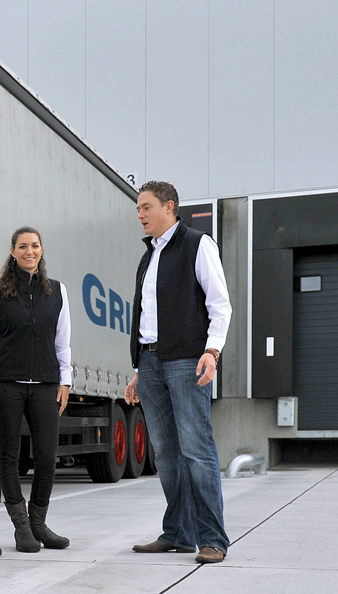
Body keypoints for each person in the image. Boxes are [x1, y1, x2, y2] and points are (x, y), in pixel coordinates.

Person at [122, 181, 232, 564]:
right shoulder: (148, 256)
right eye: (138, 208)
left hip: (187, 359)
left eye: (146, 207)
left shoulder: (197, 244)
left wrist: (212, 350)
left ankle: (212, 538)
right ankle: (179, 533)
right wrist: (139, 368)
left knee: (196, 449)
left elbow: (220, 304)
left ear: (169, 206)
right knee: (166, 454)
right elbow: (146, 318)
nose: (140, 214)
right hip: (150, 362)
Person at [0, 226, 72, 553]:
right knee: (8, 456)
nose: (29, 251)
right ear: (13, 251)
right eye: (23, 246)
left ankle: (39, 523)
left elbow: (62, 342)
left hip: (46, 385)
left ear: (42, 249)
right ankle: (21, 526)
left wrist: (66, 381)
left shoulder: (58, 292)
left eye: (34, 245)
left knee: (47, 456)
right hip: (6, 384)